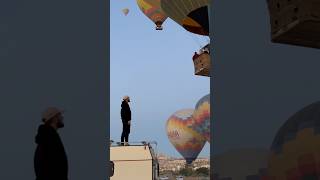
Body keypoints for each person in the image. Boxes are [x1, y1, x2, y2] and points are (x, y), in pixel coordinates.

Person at [34, 107, 68, 180]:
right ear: (54, 118)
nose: (62, 117)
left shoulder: (47, 138)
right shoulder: (50, 139)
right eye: (59, 115)